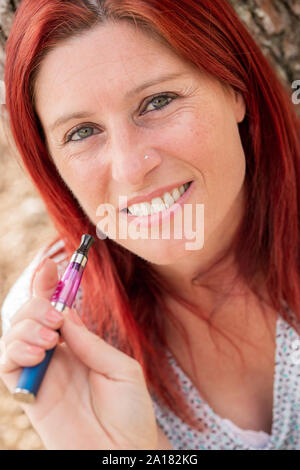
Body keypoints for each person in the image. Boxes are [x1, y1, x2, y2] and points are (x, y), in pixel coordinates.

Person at [0, 0, 300, 450]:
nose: (129, 167)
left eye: (157, 102)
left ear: (235, 87)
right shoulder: (53, 328)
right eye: (82, 131)